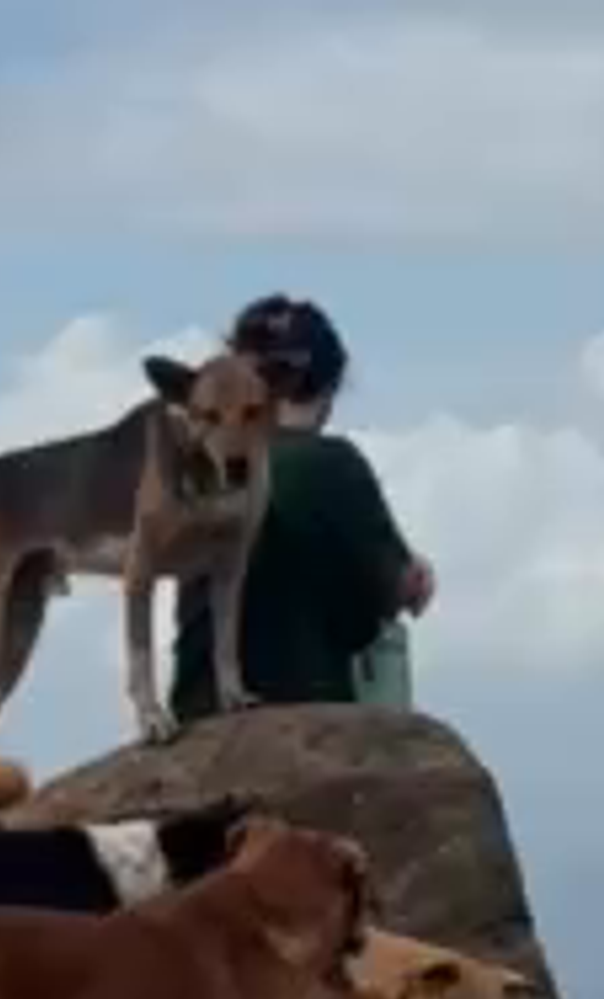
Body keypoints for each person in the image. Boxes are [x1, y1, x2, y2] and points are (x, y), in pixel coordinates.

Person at [168, 293, 433, 724]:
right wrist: (413, 576)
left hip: (197, 716)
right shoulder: (331, 464)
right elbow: (402, 593)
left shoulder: (197, 471)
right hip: (297, 716)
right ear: (328, 390)